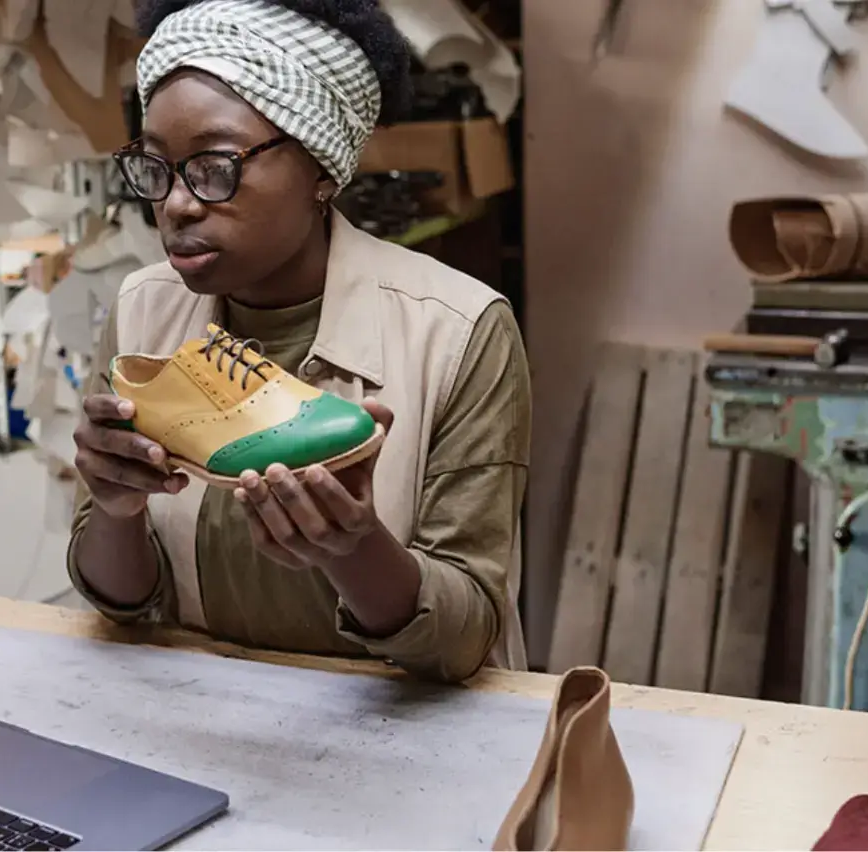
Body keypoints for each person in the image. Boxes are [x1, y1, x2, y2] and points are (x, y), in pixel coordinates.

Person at [67, 0, 531, 682]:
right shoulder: (144, 310)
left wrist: (353, 549)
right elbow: (121, 603)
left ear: (321, 170)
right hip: (203, 721)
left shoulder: (458, 330)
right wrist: (114, 508)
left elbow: (465, 640)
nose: (175, 204)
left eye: (215, 166)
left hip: (405, 746)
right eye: (157, 167)